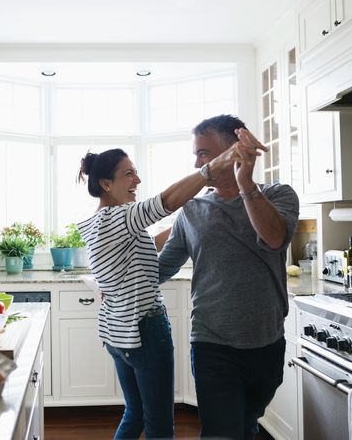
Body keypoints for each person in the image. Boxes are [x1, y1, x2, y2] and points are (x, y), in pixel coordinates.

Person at [76, 140, 266, 439]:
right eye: (129, 173)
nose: (137, 180)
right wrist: (214, 166)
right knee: (160, 426)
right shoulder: (122, 217)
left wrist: (188, 218)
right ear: (105, 184)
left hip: (117, 331)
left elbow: (145, 247)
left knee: (135, 412)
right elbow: (165, 201)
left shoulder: (97, 223)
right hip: (145, 331)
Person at [157, 114, 300, 440]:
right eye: (196, 154)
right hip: (212, 344)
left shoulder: (279, 195)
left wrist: (245, 183)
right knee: (222, 432)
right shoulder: (192, 210)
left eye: (204, 153)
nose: (197, 162)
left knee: (247, 424)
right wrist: (116, 284)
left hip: (267, 342)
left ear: (234, 150)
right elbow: (162, 268)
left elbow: (275, 238)